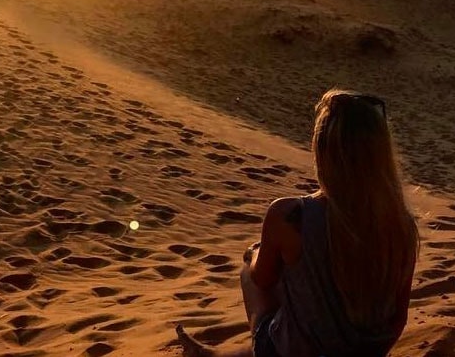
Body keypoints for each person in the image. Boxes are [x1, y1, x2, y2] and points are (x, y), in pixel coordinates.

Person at [176, 89, 419, 357]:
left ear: (322, 150)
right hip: (365, 351)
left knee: (249, 271)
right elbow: (399, 319)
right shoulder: (402, 226)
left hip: (295, 351)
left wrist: (255, 254)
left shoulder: (291, 214)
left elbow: (263, 279)